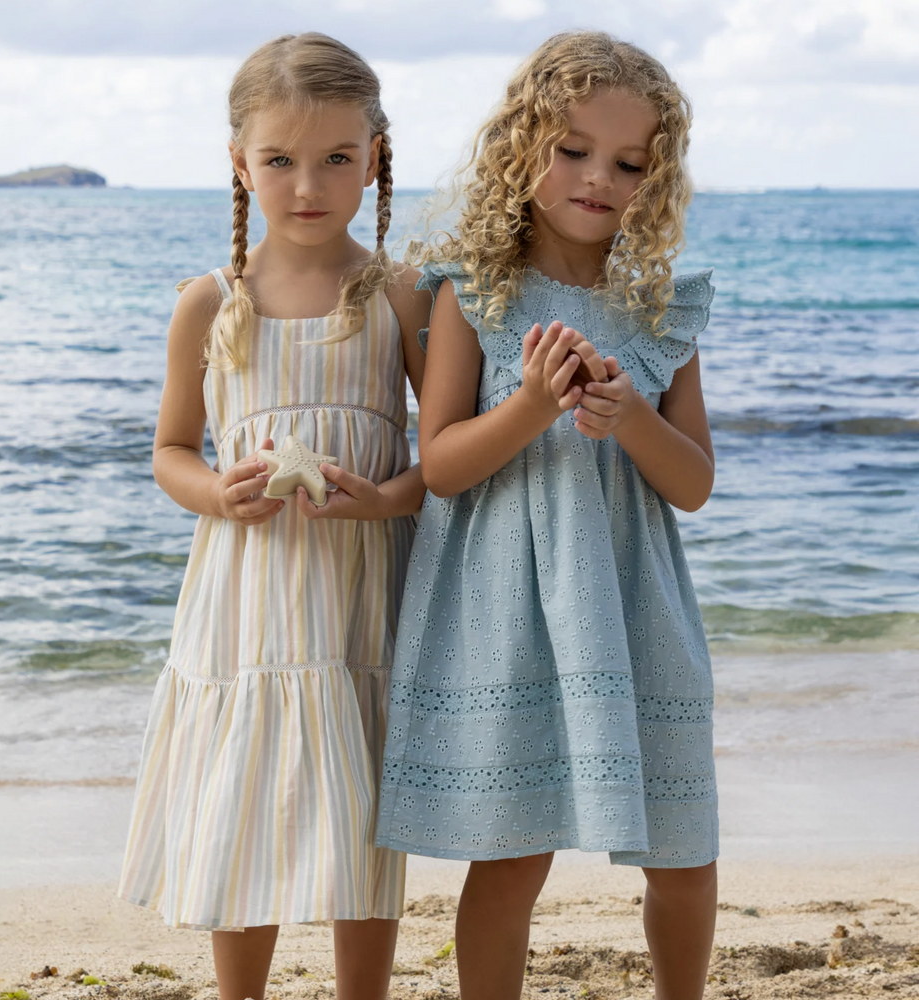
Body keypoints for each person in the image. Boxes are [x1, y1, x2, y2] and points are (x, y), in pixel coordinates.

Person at [376, 31, 718, 1000]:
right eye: (572, 149)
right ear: (520, 143)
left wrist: (633, 417)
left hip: (633, 607)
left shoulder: (660, 305)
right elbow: (440, 465)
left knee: (682, 851)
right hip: (510, 612)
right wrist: (529, 405)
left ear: (655, 179)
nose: (597, 178)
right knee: (511, 853)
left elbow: (690, 483)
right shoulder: (476, 293)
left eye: (628, 163)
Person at [117, 33, 429, 1000]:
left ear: (375, 155)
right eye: (280, 160)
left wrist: (383, 497)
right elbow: (172, 451)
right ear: (239, 163)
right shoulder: (212, 303)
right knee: (244, 802)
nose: (308, 184)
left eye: (338, 157)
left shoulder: (403, 297)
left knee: (363, 813)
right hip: (247, 595)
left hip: (361, 588)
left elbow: (442, 458)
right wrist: (216, 492)